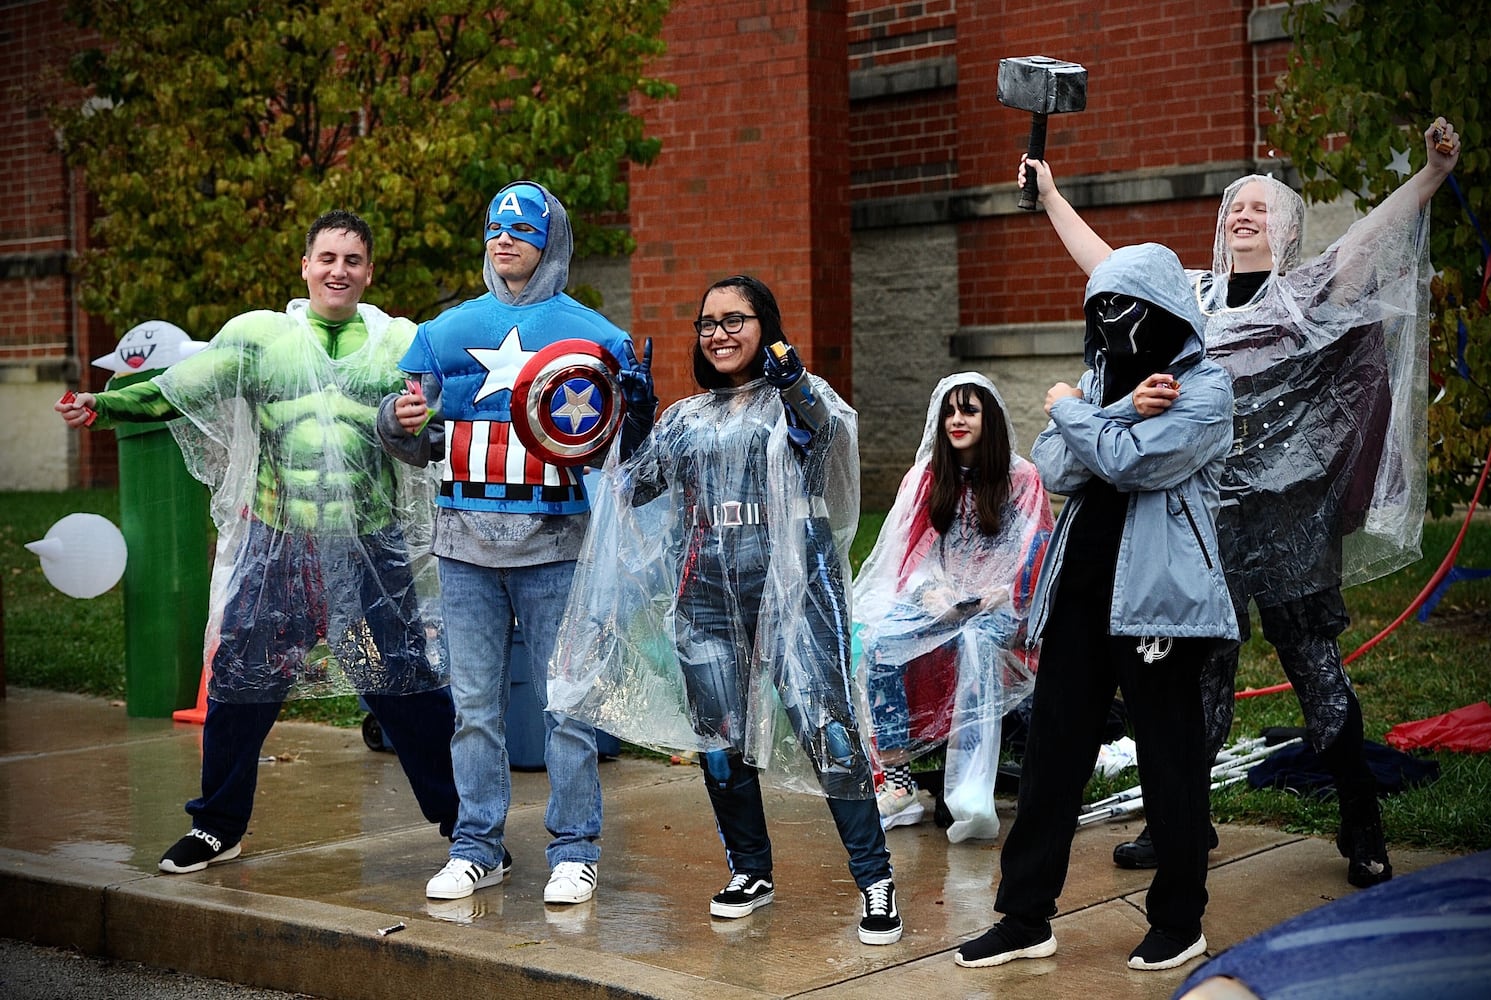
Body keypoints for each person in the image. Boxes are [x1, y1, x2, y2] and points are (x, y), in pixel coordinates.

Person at [1021, 116, 1460, 888]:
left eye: (1262, 206)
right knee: (1198, 681)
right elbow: (1109, 267)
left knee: (1316, 674)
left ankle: (1360, 821)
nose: (1244, 215)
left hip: (1288, 525)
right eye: (1234, 207)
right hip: (1203, 521)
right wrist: (1052, 194)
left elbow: (1369, 235)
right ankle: (1181, 824)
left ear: (1287, 228)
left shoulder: (1307, 296)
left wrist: (1429, 174)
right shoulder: (1189, 300)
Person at [54, 210, 459, 874]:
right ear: (304, 266)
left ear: (369, 272)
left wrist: (426, 422)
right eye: (326, 258)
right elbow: (174, 392)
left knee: (407, 685)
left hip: (371, 551)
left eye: (352, 260)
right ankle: (217, 827)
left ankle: (461, 828)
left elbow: (440, 434)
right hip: (283, 545)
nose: (338, 270)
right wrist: (103, 404)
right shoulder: (259, 338)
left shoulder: (402, 345)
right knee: (241, 684)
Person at [548, 274, 903, 945]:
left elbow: (826, 444)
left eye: (733, 320)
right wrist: (634, 419)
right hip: (704, 591)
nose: (718, 334)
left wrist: (794, 384)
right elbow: (635, 487)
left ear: (764, 325)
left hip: (794, 585)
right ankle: (749, 869)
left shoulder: (801, 396)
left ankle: (875, 880)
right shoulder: (685, 417)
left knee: (827, 730)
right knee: (718, 740)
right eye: (707, 323)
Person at [955, 242, 1237, 973]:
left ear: (1167, 308)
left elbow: (1129, 462)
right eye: (1099, 308)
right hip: (1078, 592)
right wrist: (1104, 407)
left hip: (1159, 603)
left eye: (1128, 306)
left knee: (1169, 760)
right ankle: (1023, 917)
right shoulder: (1098, 381)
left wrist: (1071, 412)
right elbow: (1052, 466)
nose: (1111, 321)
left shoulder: (1206, 387)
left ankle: (1179, 921)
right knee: (1051, 756)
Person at [378, 180, 652, 906]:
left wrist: (637, 414)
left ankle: (575, 847)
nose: (506, 240)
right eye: (496, 229)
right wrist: (396, 419)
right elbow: (413, 434)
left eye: (523, 231)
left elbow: (614, 451)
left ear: (550, 242)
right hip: (463, 543)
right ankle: (476, 846)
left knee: (567, 704)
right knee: (473, 706)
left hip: (557, 544)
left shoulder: (595, 336)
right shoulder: (441, 332)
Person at [851, 373, 1053, 842]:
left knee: (977, 646)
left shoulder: (1021, 479)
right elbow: (907, 555)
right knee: (881, 645)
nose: (957, 420)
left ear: (991, 418)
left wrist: (997, 595)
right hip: (938, 602)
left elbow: (1033, 554)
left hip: (1000, 606)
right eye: (949, 411)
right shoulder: (925, 479)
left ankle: (971, 789)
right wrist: (932, 595)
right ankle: (899, 787)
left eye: (969, 410)